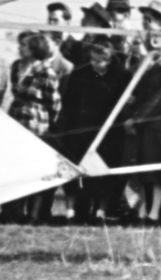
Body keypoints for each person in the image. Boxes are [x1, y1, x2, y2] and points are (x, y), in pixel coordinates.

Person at [50, 36, 134, 223]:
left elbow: (127, 103)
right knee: (77, 171)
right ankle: (73, 211)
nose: (97, 65)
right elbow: (69, 102)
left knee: (104, 173)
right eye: (93, 60)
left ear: (110, 57)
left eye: (101, 61)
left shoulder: (122, 76)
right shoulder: (81, 74)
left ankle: (100, 211)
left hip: (109, 133)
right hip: (81, 130)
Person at [122, 3, 161, 224]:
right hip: (146, 126)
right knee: (145, 170)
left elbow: (159, 100)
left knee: (158, 172)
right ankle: (145, 209)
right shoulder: (148, 66)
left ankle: (155, 211)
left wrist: (137, 118)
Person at [2, 31, 65, 223]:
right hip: (16, 118)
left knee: (33, 168)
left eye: (24, 45)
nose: (20, 47)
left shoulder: (46, 72)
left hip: (36, 123)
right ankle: (12, 212)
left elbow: (54, 103)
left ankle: (34, 214)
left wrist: (45, 122)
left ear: (35, 49)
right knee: (13, 167)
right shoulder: (16, 66)